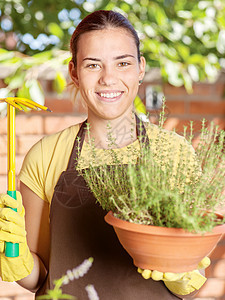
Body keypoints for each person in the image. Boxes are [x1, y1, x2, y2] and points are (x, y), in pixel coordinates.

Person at [0, 10, 209, 299]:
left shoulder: (173, 154)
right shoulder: (45, 155)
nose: (108, 78)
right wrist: (18, 261)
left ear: (140, 68)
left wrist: (183, 274)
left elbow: (192, 280)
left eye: (122, 63)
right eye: (93, 65)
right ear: (74, 72)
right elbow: (41, 277)